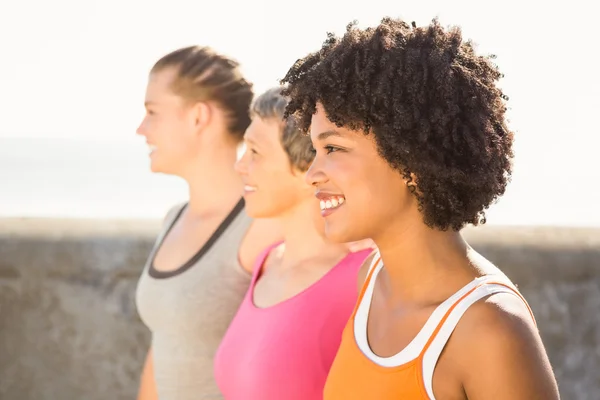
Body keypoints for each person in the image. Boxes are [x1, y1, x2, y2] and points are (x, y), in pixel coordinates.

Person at [280, 17, 560, 400]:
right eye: (315, 150)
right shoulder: (371, 278)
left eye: (333, 148)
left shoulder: (490, 329)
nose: (312, 174)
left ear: (410, 161)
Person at [134, 46, 281, 400]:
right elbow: (164, 345)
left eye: (152, 112)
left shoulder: (261, 226)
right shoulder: (174, 219)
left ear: (199, 117)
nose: (141, 129)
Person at [213, 87, 373, 400]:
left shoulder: (363, 278)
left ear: (307, 169)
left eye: (255, 152)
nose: (240, 165)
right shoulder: (266, 263)